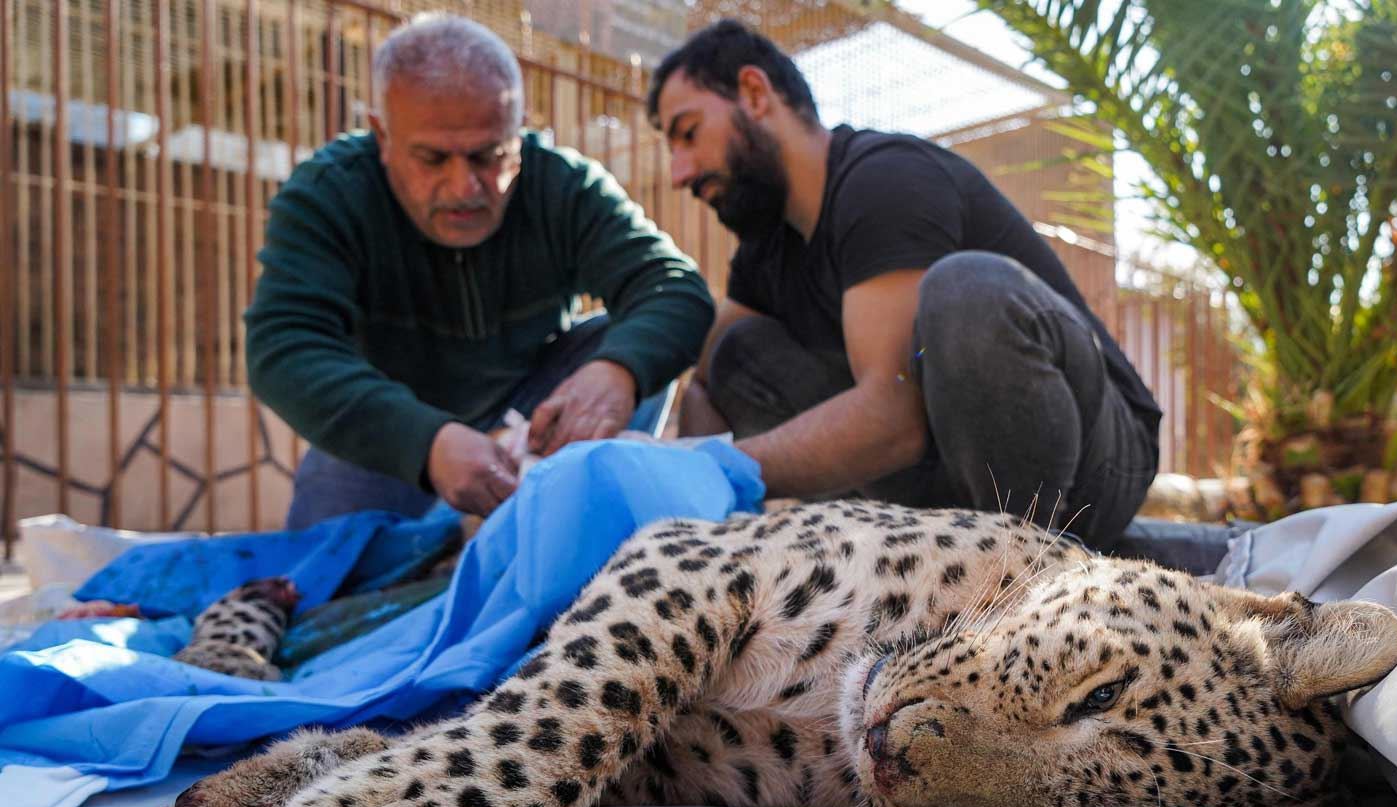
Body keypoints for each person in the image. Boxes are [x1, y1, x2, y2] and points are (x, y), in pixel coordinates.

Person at [647, 20, 1162, 549]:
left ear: (755, 94)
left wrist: (717, 467)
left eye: (688, 134)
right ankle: (897, 561)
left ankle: (1022, 563)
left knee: (966, 291)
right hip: (948, 481)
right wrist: (699, 513)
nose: (678, 172)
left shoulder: (884, 180)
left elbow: (891, 419)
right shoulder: (768, 248)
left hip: (1094, 464)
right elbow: (708, 381)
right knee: (739, 352)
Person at [246, 13, 714, 528]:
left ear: (520, 130)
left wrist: (617, 373)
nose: (464, 187)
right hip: (389, 438)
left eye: (489, 156)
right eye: (431, 158)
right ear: (381, 135)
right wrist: (428, 441)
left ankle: (570, 525)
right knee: (326, 590)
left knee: (623, 340)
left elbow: (674, 286)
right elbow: (283, 347)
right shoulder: (328, 194)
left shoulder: (564, 185)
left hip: (532, 422)